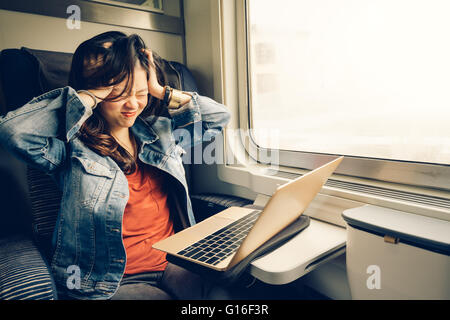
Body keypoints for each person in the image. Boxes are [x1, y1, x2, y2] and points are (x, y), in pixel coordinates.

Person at [0, 31, 231, 300]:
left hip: (173, 261)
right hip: (113, 280)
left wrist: (160, 90)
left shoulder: (161, 132)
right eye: (118, 93)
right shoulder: (71, 147)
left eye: (141, 93)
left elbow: (218, 118)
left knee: (227, 291)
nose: (132, 104)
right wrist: (86, 97)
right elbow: (13, 133)